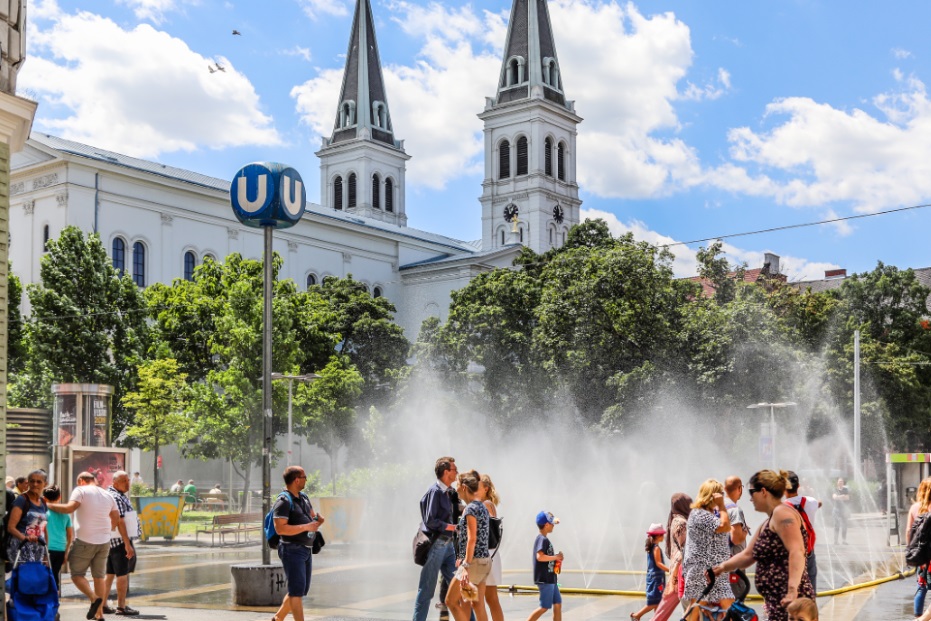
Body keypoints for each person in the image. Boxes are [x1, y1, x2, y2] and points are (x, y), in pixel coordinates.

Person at [712, 470, 814, 621]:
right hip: (779, 602)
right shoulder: (769, 522)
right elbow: (748, 555)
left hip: (792, 604)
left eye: (752, 492)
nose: (750, 499)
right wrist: (721, 568)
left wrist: (792, 590)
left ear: (764, 492)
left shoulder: (783, 514)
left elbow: (797, 551)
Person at [47, 471, 119, 621]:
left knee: (77, 575)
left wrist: (47, 505)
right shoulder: (107, 494)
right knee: (99, 577)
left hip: (85, 541)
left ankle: (94, 598)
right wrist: (108, 530)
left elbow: (69, 508)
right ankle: (100, 614)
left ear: (81, 480)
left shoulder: (81, 490)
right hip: (104, 541)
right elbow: (115, 517)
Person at [271, 465, 323, 621]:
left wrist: (317, 521)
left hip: (306, 549)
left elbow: (312, 517)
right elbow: (280, 529)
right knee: (296, 592)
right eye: (304, 477)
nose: (306, 479)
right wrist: (307, 526)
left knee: (299, 590)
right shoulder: (283, 501)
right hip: (291, 549)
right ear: (296, 480)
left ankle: (278, 618)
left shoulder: (304, 497)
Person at [413, 456, 459, 621]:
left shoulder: (448, 492)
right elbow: (430, 520)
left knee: (460, 586)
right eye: (454, 469)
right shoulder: (435, 491)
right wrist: (450, 527)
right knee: (426, 591)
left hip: (448, 546)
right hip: (437, 546)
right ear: (446, 472)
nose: (457, 472)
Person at [682, 479, 732, 621]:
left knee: (697, 607)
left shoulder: (705, 513)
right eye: (720, 494)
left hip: (711, 571)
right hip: (702, 571)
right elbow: (725, 526)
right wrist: (722, 506)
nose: (722, 497)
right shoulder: (700, 514)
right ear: (712, 495)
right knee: (696, 608)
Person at [446, 470, 492, 621]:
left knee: (450, 601)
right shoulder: (482, 507)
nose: (456, 488)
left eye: (457, 485)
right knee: (477, 605)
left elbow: (472, 539)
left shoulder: (471, 508)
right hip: (484, 562)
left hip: (472, 563)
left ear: (464, 487)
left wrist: (465, 565)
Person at [103, 471, 140, 616]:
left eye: (128, 480)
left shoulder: (112, 494)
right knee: (122, 574)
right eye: (124, 480)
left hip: (110, 541)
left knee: (110, 573)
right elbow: (120, 520)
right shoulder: (116, 497)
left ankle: (104, 604)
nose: (127, 483)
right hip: (119, 541)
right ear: (115, 483)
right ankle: (121, 606)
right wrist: (127, 543)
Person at [651, 493, 692, 621]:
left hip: (677, 568)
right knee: (688, 607)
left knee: (669, 607)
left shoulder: (675, 519)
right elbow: (687, 547)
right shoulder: (681, 522)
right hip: (682, 568)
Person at [785, 471, 822, 594]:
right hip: (807, 551)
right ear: (798, 486)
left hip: (790, 554)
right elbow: (819, 503)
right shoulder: (810, 502)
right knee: (810, 588)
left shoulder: (780, 507)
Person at [525, 511, 563, 621]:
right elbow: (540, 557)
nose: (553, 526)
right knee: (544, 607)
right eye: (552, 523)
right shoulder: (542, 539)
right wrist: (556, 557)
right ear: (546, 525)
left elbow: (546, 558)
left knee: (557, 604)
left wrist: (557, 559)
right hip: (545, 579)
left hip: (551, 578)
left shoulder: (544, 539)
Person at [5, 469, 49, 563]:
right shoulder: (21, 500)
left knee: (36, 576)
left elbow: (44, 529)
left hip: (38, 547)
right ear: (28, 482)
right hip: (21, 547)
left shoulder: (43, 502)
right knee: (26, 576)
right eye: (32, 481)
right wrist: (25, 538)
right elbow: (11, 527)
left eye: (39, 481)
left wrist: (46, 552)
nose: (35, 484)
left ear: (45, 484)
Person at [631, 523, 668, 620]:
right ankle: (637, 615)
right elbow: (658, 563)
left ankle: (657, 618)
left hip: (654, 577)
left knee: (658, 602)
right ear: (659, 535)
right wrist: (670, 570)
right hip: (656, 579)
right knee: (654, 602)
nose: (664, 536)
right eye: (662, 534)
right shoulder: (656, 548)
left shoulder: (651, 547)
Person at [480, 474, 504, 621]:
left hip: (486, 554)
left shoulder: (485, 504)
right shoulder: (489, 504)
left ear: (486, 488)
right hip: (492, 554)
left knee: (481, 599)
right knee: (491, 598)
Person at [724, 476, 751, 599]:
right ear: (739, 489)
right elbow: (735, 538)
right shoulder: (734, 510)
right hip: (734, 564)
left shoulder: (716, 507)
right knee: (736, 603)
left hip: (719, 563)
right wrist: (744, 533)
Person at [909, 478, 931, 619]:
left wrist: (911, 552)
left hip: (920, 554)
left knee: (921, 586)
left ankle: (918, 616)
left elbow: (908, 531)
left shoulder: (914, 507)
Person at [43, 485, 73, 589]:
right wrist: (66, 552)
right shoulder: (66, 515)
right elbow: (70, 535)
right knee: (54, 573)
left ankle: (49, 598)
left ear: (44, 498)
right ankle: (55, 596)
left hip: (47, 549)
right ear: (59, 497)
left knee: (46, 575)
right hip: (60, 549)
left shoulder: (44, 513)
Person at [831, 478, 850, 545]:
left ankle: (844, 540)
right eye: (839, 481)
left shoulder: (846, 490)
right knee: (836, 525)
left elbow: (847, 498)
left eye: (841, 481)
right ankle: (835, 540)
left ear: (843, 483)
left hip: (844, 509)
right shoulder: (835, 489)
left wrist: (838, 497)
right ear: (837, 483)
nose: (840, 482)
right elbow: (834, 497)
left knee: (844, 525)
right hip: (836, 509)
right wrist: (842, 496)